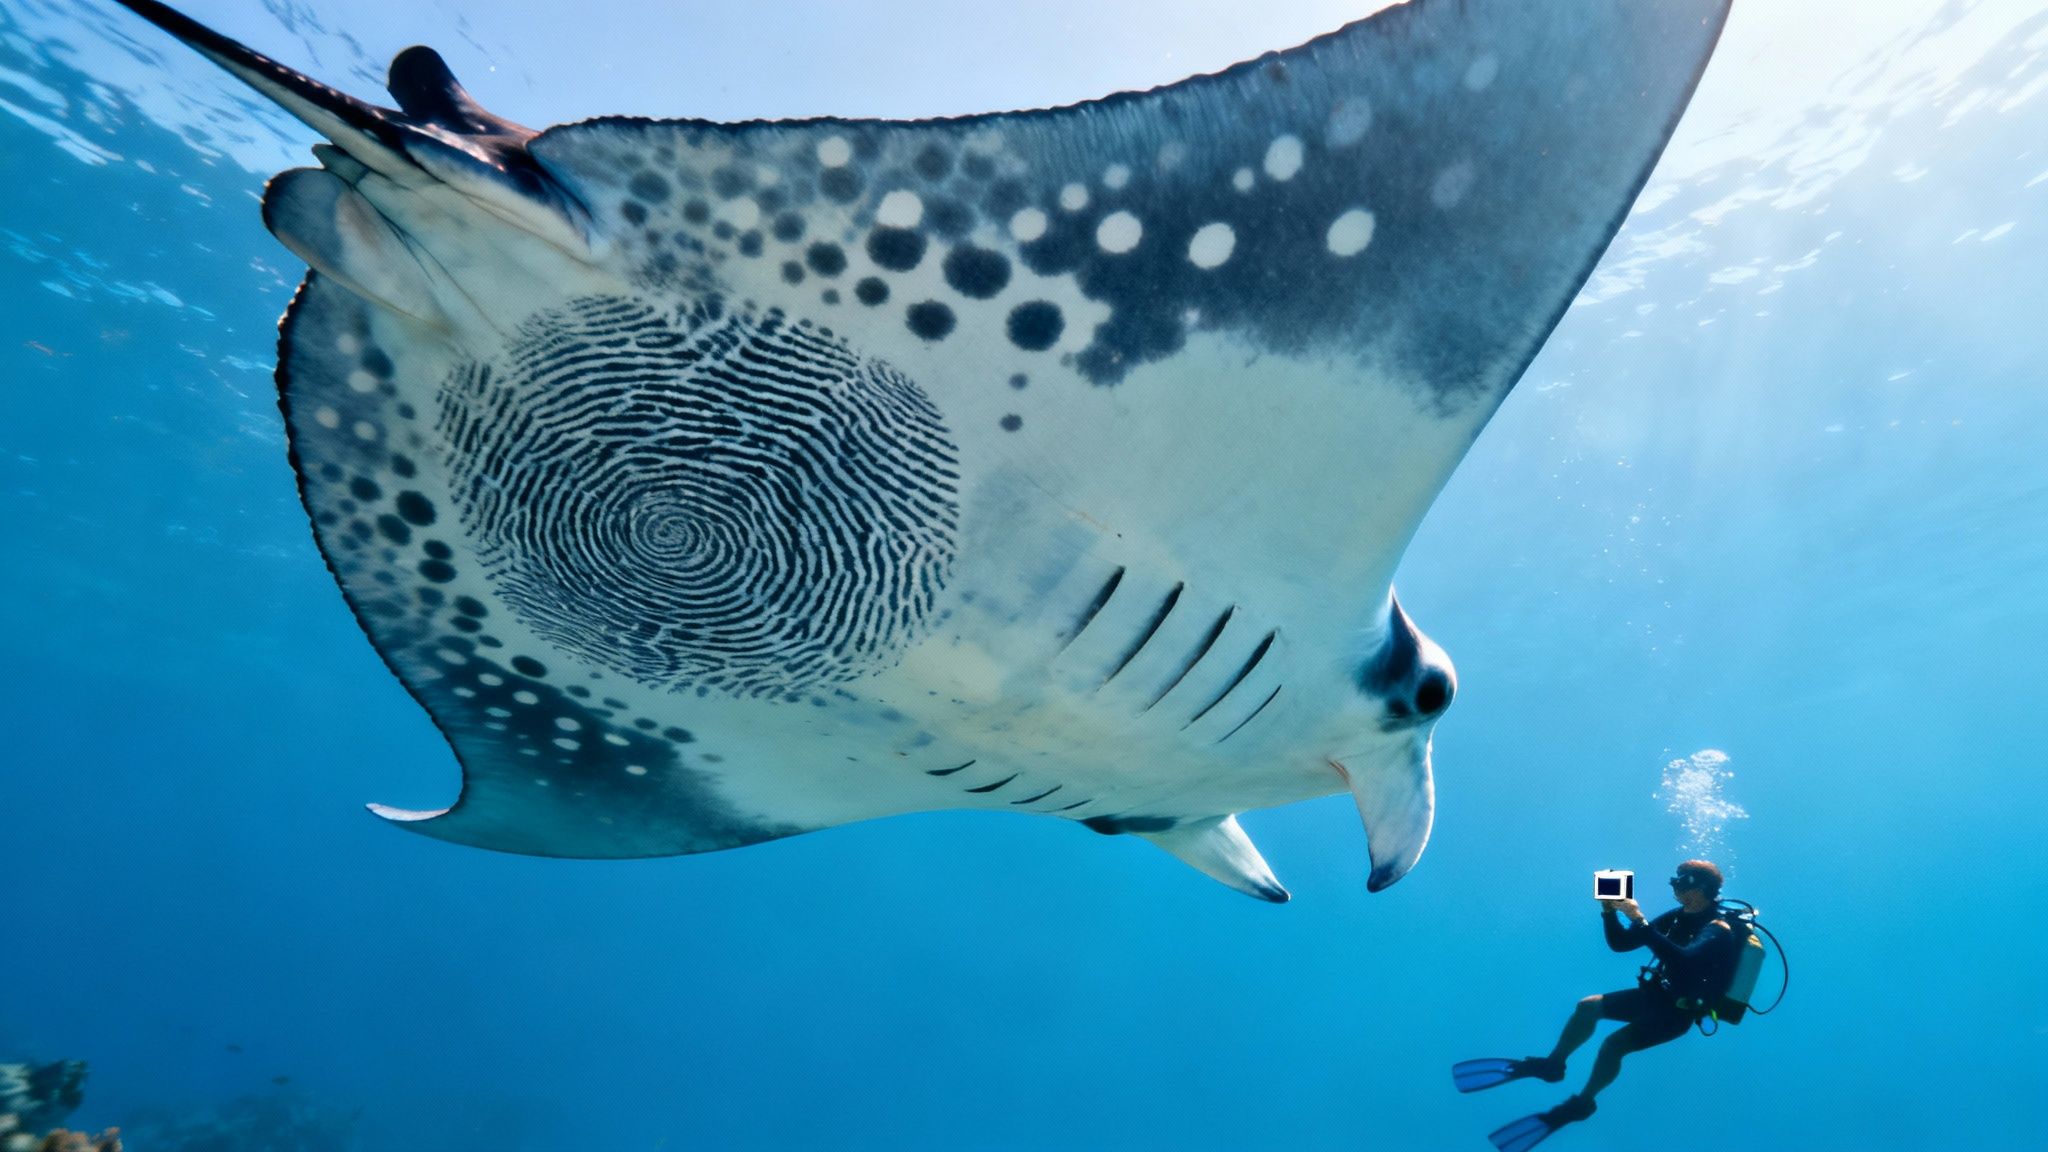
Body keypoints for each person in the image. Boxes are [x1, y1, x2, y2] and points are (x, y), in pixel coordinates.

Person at [1451, 860, 1740, 1151]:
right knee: (1588, 1006)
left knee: (1614, 1045)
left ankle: (1582, 1103)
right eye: (1675, 881)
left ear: (1702, 886)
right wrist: (1608, 910)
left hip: (1679, 1011)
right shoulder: (1677, 918)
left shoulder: (1719, 927)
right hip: (1656, 996)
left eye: (1683, 881)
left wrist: (1639, 922)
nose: (1676, 887)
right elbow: (1621, 943)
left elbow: (1686, 961)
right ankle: (1553, 1064)